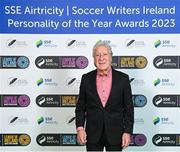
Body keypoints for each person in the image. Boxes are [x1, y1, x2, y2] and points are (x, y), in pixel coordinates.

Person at [75, 41, 134, 151]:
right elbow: (80, 107)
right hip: (92, 135)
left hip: (116, 135)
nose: (101, 58)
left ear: (111, 57)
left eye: (105, 54)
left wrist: (127, 132)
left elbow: (129, 108)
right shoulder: (86, 78)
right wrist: (80, 129)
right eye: (97, 55)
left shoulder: (123, 79)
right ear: (93, 58)